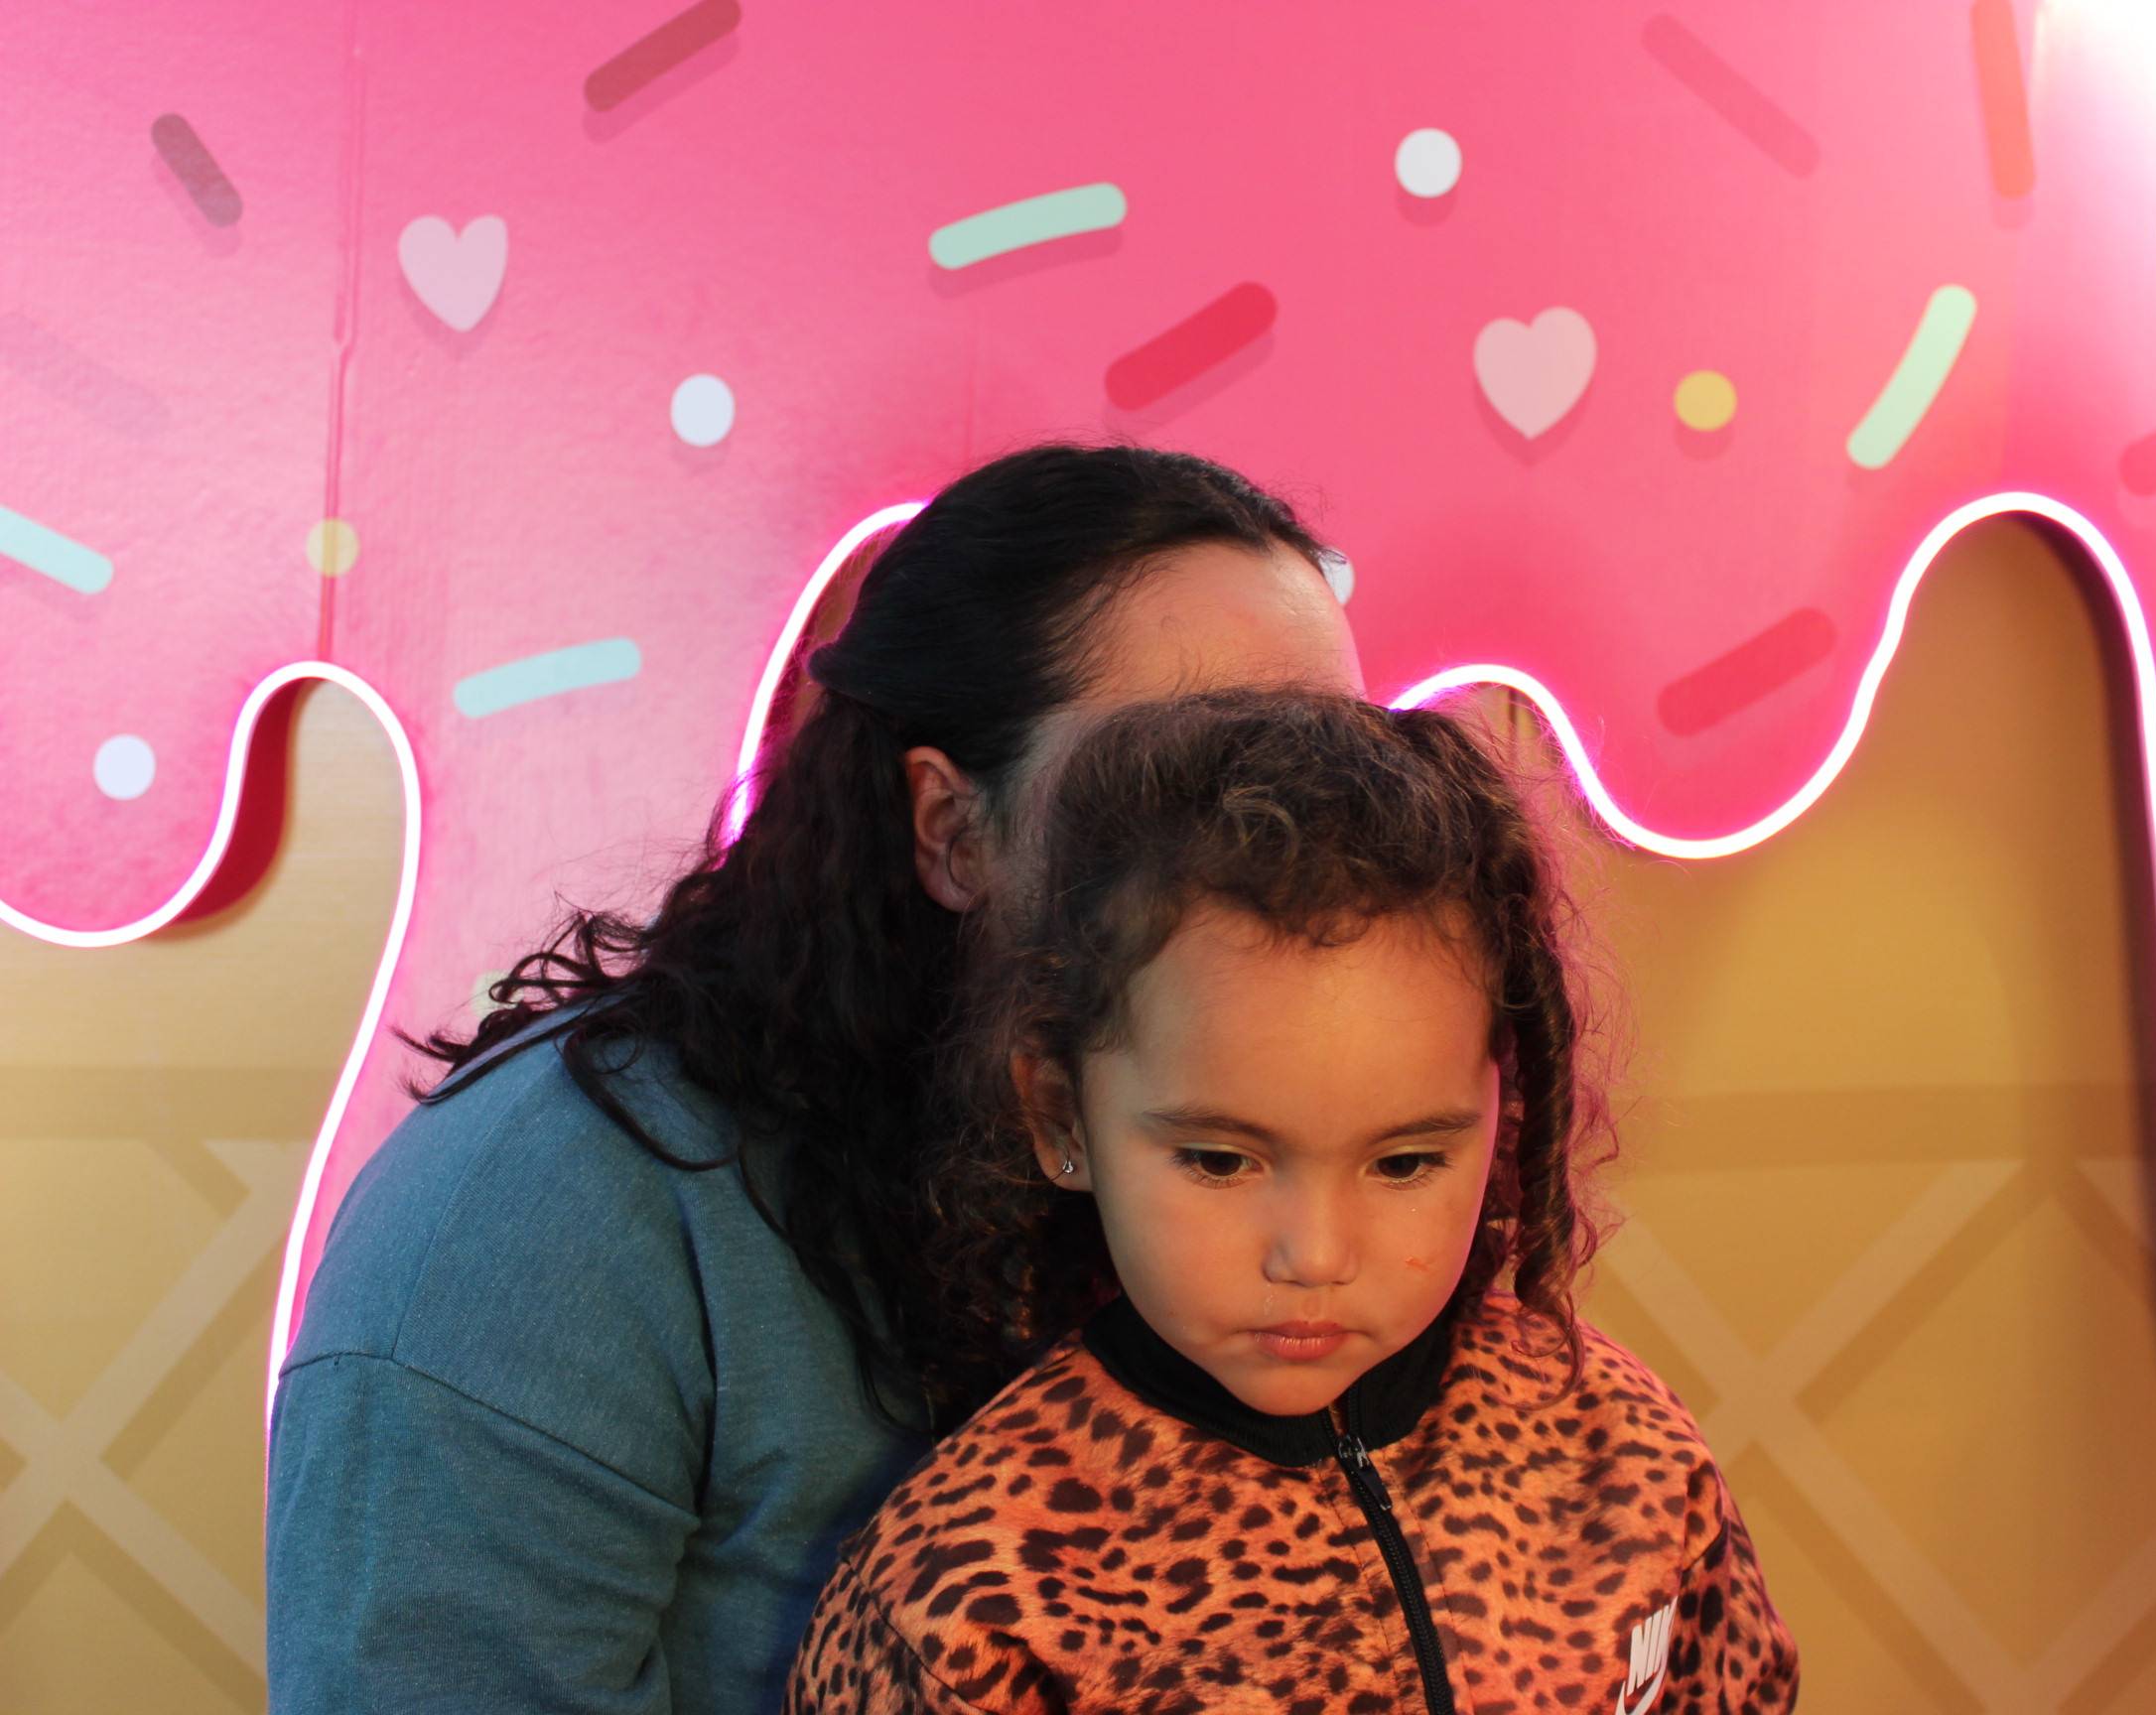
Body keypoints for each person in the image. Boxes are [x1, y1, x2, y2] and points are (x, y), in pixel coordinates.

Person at [263, 444, 1365, 1713]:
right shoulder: (543, 1217)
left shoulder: (1319, 1185)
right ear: (953, 828)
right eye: (1202, 780)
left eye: (1348, 776)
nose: (1306, 856)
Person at [787, 689, 1800, 1715]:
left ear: (1502, 1113)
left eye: (1404, 1164)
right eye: (1220, 1161)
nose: (1315, 1256)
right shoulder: (971, 1599)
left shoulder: (1625, 1455)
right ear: (1062, 1117)